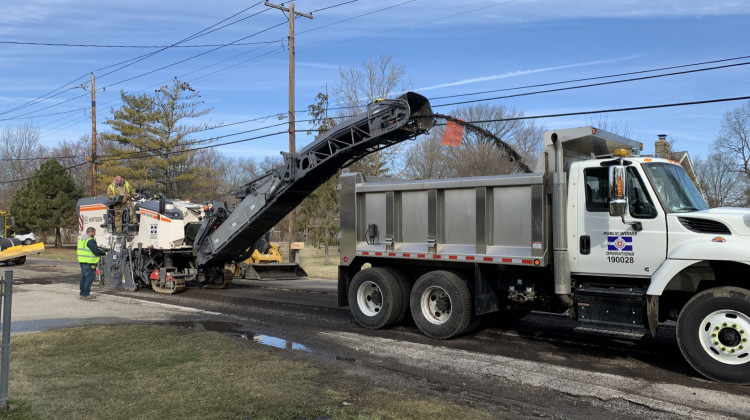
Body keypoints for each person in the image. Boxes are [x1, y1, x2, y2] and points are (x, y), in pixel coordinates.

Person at [77, 227, 106, 300]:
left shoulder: (82, 239)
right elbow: (95, 251)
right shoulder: (90, 240)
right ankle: (86, 294)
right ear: (91, 232)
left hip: (82, 261)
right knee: (89, 278)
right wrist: (104, 253)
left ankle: (82, 293)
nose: (95, 234)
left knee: (83, 278)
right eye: (94, 232)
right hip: (89, 262)